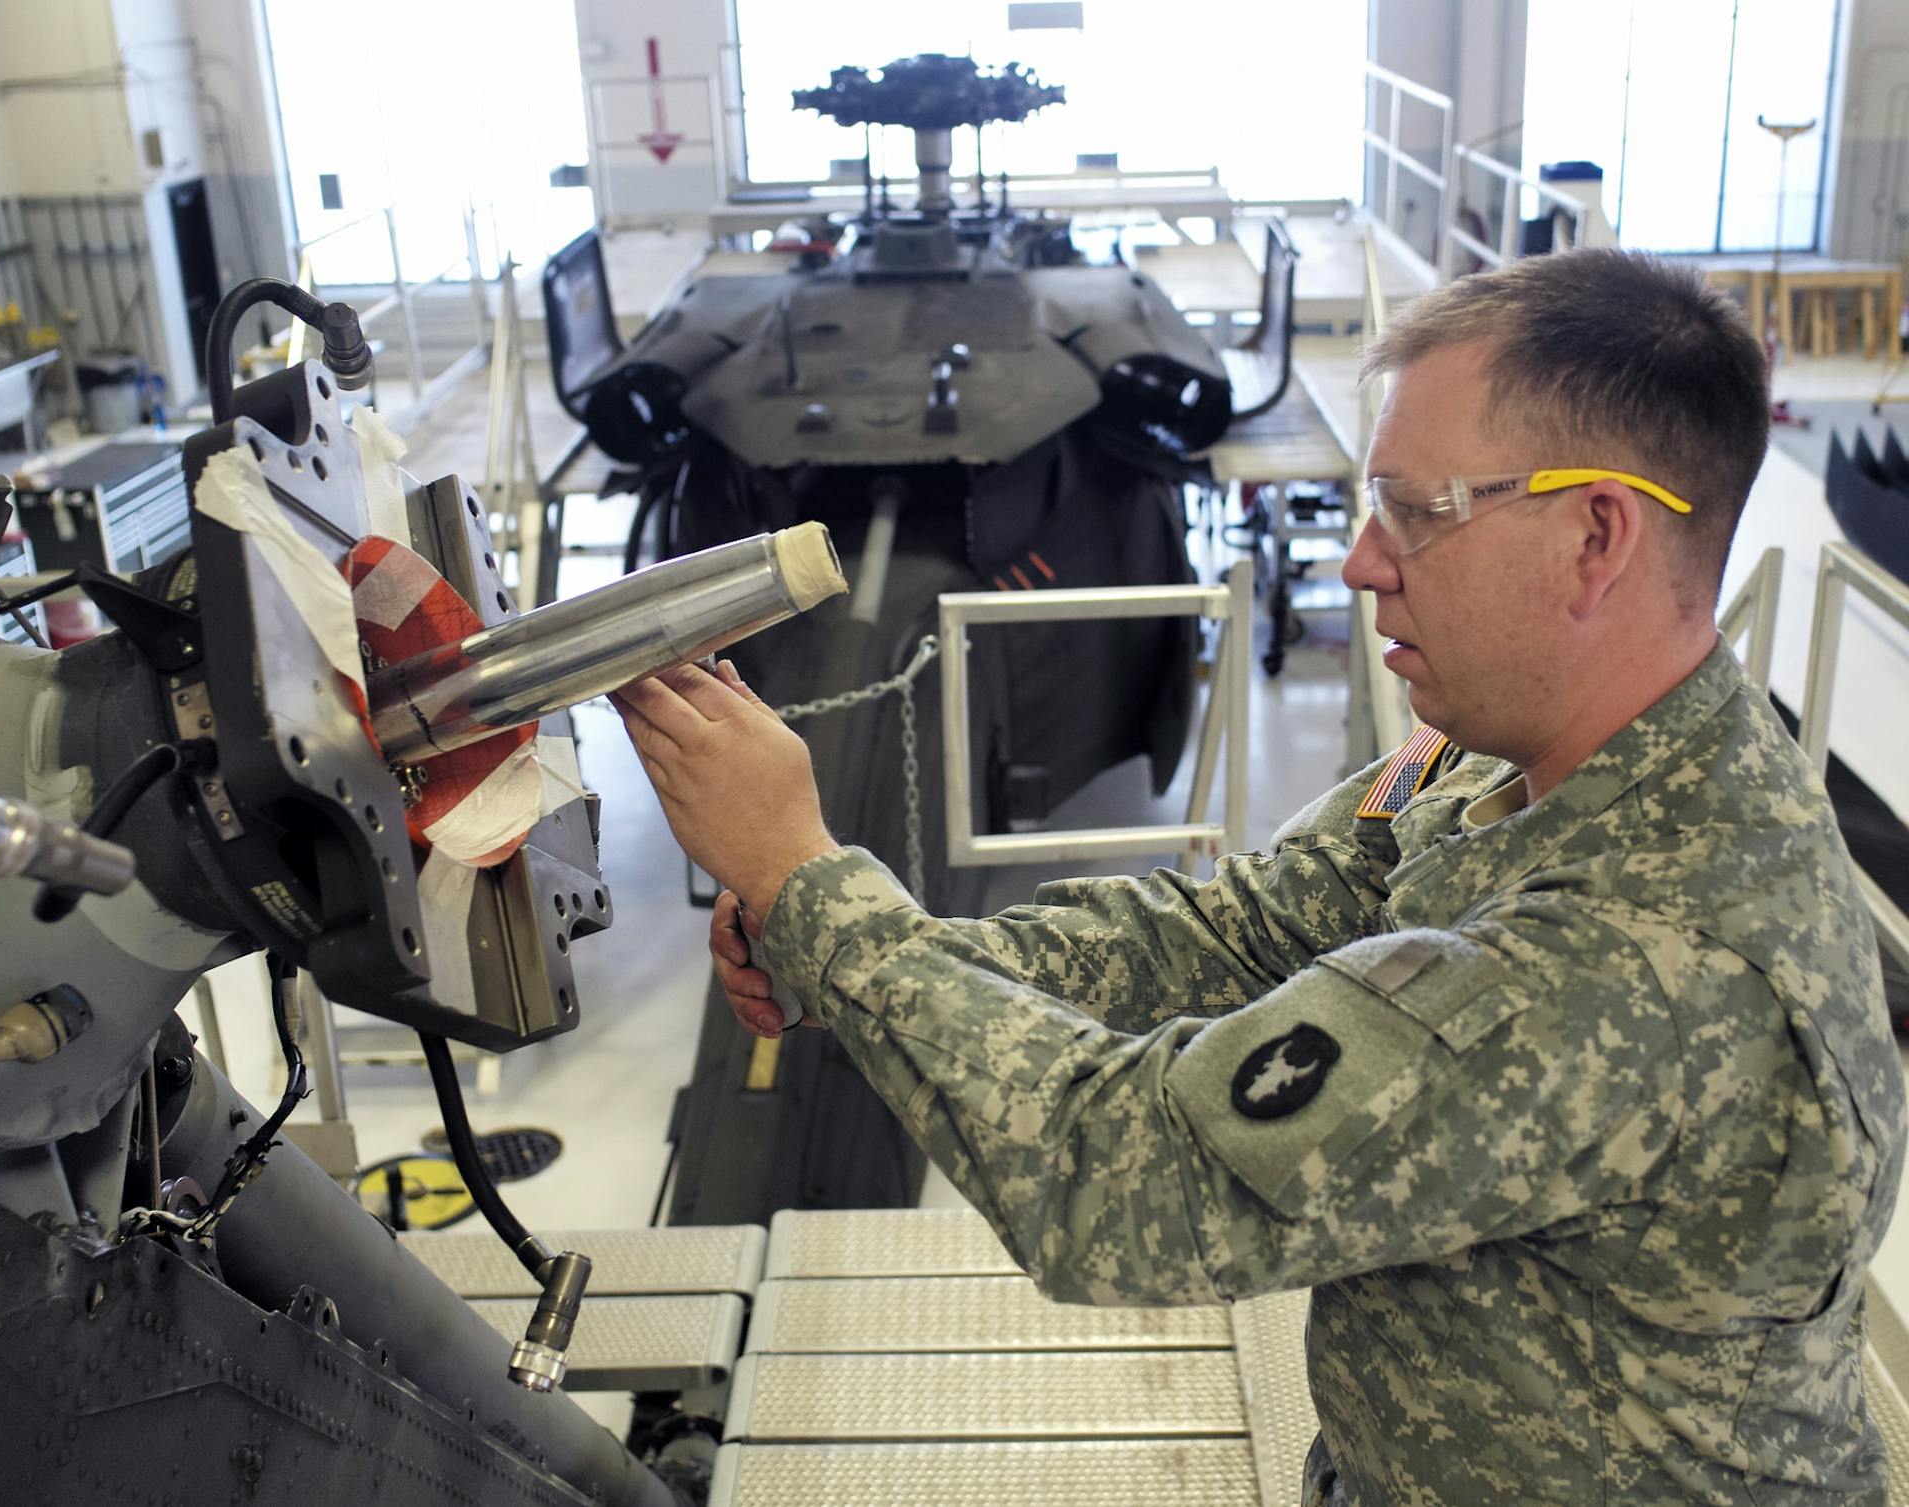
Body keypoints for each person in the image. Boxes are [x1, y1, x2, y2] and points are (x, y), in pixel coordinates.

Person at [613, 248, 1905, 1505]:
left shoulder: (1644, 963)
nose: (1357, 563)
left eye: (1417, 511)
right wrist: (849, 935)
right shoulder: (1510, 760)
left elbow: (1119, 1179)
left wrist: (809, 885)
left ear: (1595, 537)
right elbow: (1242, 929)